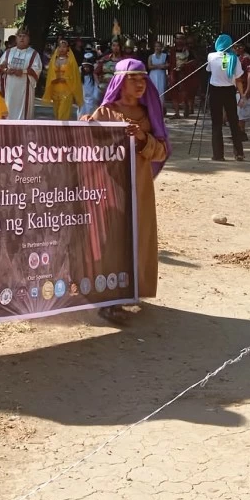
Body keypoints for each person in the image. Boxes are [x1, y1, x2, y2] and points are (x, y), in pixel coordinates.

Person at [81, 59, 169, 324]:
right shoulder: (105, 113)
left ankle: (131, 290)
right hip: (108, 187)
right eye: (134, 79)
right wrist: (84, 126)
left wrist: (142, 138)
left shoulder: (149, 114)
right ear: (120, 82)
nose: (141, 84)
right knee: (111, 239)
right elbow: (86, 145)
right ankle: (109, 298)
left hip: (139, 188)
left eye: (143, 79)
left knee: (137, 237)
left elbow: (162, 150)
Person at [206, 34, 246, 162]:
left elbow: (209, 70)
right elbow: (239, 79)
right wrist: (242, 95)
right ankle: (239, 153)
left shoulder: (211, 56)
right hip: (229, 91)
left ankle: (218, 154)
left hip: (215, 90)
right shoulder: (234, 58)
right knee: (234, 122)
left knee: (216, 123)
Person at [0, 28, 42, 120]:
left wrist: (23, 72)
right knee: (9, 109)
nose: (22, 38)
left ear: (29, 39)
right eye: (19, 36)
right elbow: (0, 67)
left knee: (24, 112)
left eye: (24, 36)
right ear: (16, 38)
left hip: (25, 87)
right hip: (10, 88)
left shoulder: (33, 54)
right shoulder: (9, 52)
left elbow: (37, 69)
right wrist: (6, 70)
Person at [45, 38, 83, 120]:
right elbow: (50, 74)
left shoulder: (71, 61)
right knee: (57, 113)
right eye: (60, 47)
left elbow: (75, 76)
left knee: (63, 114)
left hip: (67, 90)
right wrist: (54, 79)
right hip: (56, 89)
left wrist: (66, 78)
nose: (62, 49)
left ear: (68, 49)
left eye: (64, 47)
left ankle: (63, 131)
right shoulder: (53, 60)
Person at [169, 36, 201, 119]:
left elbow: (195, 61)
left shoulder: (188, 50)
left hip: (185, 74)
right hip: (174, 73)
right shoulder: (172, 50)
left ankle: (186, 108)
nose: (179, 40)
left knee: (185, 93)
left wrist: (185, 65)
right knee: (174, 92)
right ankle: (176, 113)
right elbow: (170, 62)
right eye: (177, 38)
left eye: (181, 38)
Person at [147, 41, 169, 108]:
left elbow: (167, 65)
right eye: (156, 46)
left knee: (161, 90)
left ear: (161, 47)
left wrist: (156, 66)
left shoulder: (165, 56)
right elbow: (149, 66)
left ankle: (161, 107)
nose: (157, 48)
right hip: (153, 75)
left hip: (161, 75)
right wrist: (159, 66)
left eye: (159, 46)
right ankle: (153, 107)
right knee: (153, 91)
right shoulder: (151, 56)